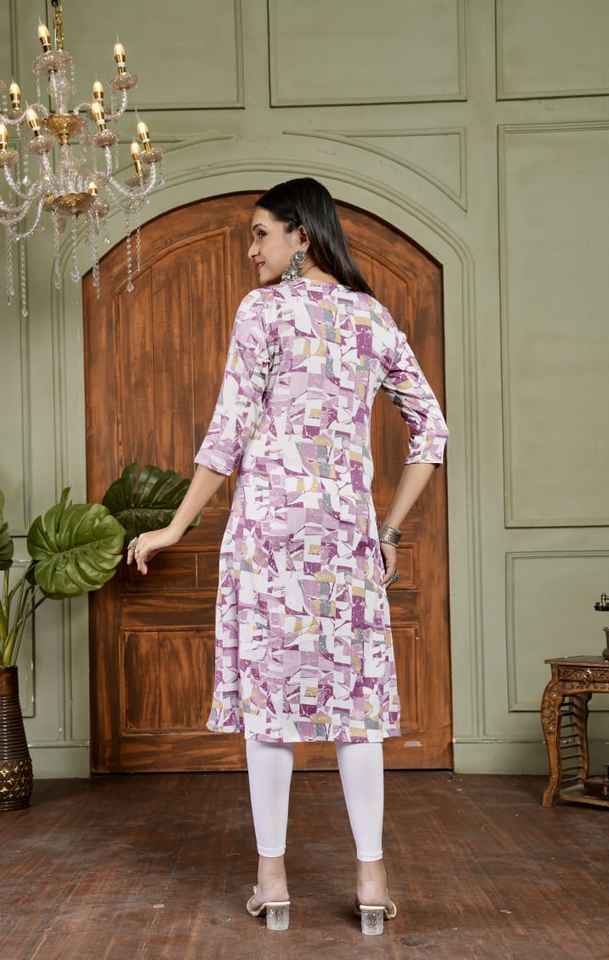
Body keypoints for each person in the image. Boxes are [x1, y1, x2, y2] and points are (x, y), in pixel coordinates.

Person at [126, 177, 449, 935]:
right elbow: (431, 433)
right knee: (356, 710)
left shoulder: (262, 311)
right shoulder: (372, 315)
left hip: (268, 539)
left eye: (260, 234)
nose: (251, 250)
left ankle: (272, 879)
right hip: (345, 544)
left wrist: (173, 528)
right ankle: (371, 880)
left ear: (302, 235)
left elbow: (228, 432)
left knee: (269, 710)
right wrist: (386, 530)